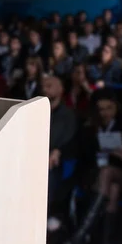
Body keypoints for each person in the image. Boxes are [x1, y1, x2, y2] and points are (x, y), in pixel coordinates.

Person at [68, 89, 122, 244]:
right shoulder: (88, 126)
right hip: (94, 173)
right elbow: (83, 155)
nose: (105, 113)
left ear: (116, 107)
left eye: (109, 108)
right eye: (101, 109)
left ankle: (81, 234)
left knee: (108, 173)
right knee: (113, 188)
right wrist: (98, 147)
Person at [43, 76, 77, 231]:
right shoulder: (37, 111)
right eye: (44, 85)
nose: (45, 88)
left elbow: (68, 141)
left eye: (50, 85)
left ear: (61, 89)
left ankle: (49, 214)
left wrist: (58, 151)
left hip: (55, 160)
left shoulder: (68, 115)